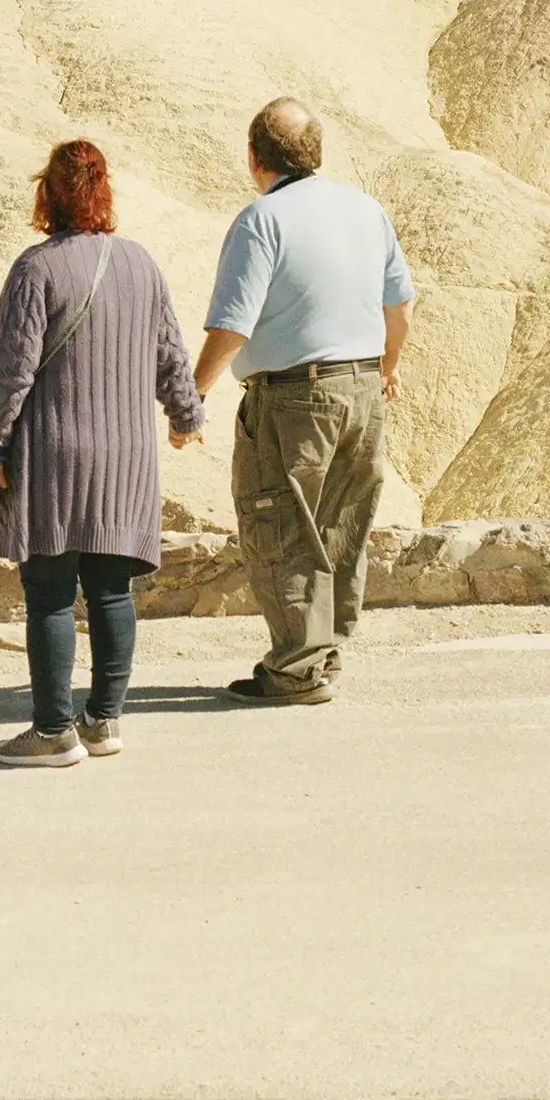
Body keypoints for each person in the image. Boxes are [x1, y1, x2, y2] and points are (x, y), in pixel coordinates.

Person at [0, 138, 204, 767]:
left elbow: (11, 372)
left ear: (47, 194)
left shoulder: (36, 269)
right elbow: (170, 355)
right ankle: (103, 722)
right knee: (110, 591)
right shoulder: (141, 265)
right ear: (104, 194)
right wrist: (187, 415)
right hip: (127, 457)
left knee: (48, 590)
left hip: (54, 454)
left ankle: (52, 731)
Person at [193, 97, 414, 705]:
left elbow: (233, 324)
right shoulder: (366, 210)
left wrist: (195, 392)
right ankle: (327, 649)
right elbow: (401, 305)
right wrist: (387, 368)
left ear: (253, 157)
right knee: (342, 520)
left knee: (280, 525)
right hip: (364, 387)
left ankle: (293, 669)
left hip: (293, 396)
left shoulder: (262, 220)